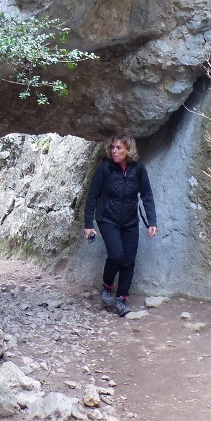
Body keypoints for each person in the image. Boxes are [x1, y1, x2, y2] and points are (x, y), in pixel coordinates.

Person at [83, 134, 158, 317]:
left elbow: (147, 195)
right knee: (116, 256)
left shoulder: (138, 169)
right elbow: (92, 196)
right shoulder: (104, 169)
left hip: (130, 221)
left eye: (119, 148)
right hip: (108, 219)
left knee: (129, 261)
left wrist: (152, 221)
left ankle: (122, 299)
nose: (114, 151)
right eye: (112, 148)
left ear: (128, 150)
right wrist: (88, 224)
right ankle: (107, 286)